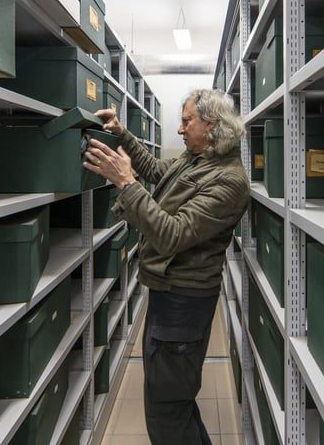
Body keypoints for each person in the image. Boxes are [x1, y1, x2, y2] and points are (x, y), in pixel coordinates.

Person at [83, 88, 250, 444]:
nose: (180, 129)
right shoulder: (198, 157)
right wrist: (121, 134)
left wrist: (126, 183)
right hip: (170, 295)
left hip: (183, 302)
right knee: (176, 401)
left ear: (212, 125)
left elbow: (172, 235)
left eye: (187, 121)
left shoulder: (229, 181)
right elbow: (158, 170)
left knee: (165, 414)